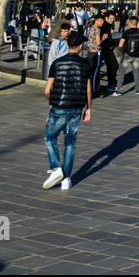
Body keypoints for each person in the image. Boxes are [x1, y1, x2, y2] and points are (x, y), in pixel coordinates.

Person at [43, 28, 92, 191]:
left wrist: (53, 100)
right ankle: (66, 179)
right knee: (70, 142)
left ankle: (56, 168)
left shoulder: (57, 63)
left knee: (50, 137)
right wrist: (89, 108)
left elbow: (47, 90)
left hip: (58, 106)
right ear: (80, 46)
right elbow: (88, 89)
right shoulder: (86, 64)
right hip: (77, 107)